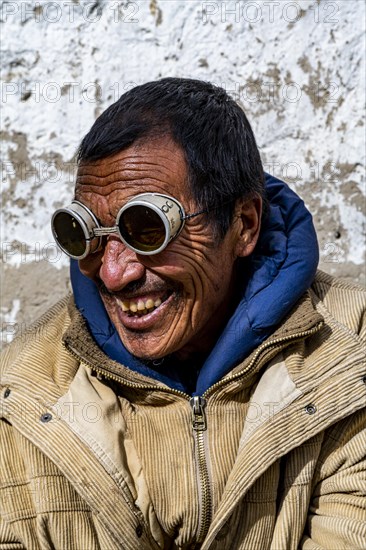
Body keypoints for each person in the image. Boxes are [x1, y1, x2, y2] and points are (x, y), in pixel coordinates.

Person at [1, 78, 365, 550]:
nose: (113, 274)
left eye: (147, 227)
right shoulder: (22, 396)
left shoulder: (349, 359)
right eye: (87, 235)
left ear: (244, 224)